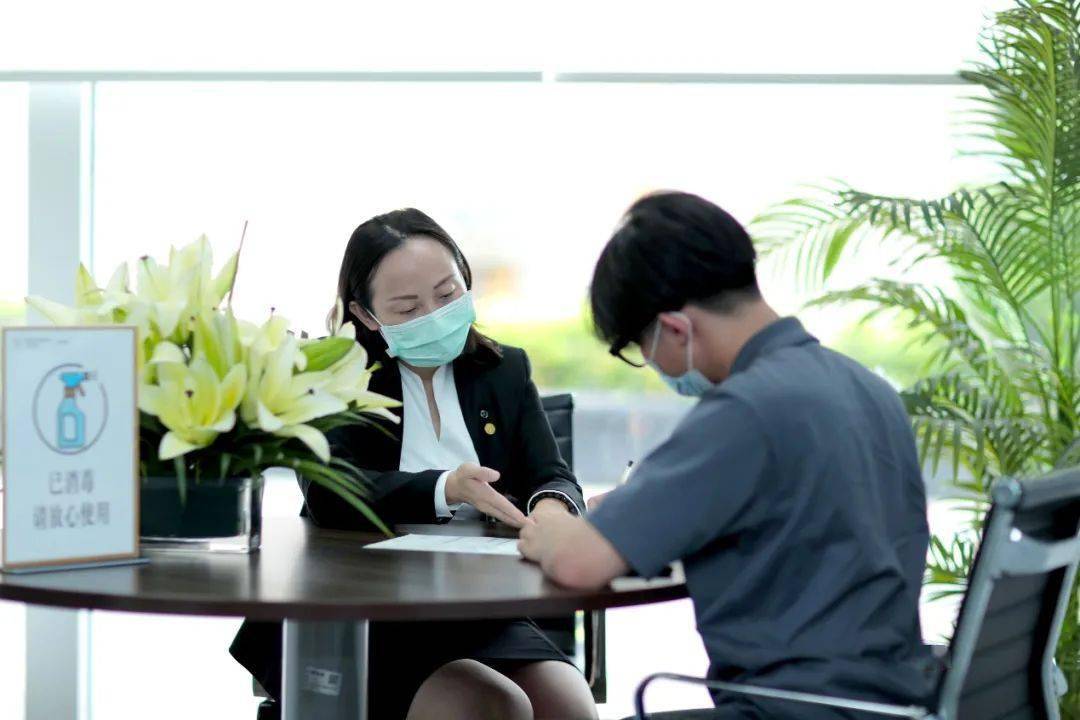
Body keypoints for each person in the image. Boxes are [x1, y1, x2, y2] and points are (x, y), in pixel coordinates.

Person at [518, 192, 938, 719]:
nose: (651, 363)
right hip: (893, 702)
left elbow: (579, 563)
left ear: (675, 328)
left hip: (793, 708)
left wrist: (552, 527)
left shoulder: (745, 409)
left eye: (641, 349)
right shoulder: (866, 388)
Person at [231, 208, 597, 720]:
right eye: (407, 307)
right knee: (492, 706)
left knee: (568, 705)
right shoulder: (331, 375)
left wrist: (553, 507)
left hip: (477, 605)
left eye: (447, 295)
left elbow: (552, 474)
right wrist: (447, 488)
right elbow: (330, 494)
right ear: (365, 315)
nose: (433, 316)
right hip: (357, 609)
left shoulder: (503, 369)